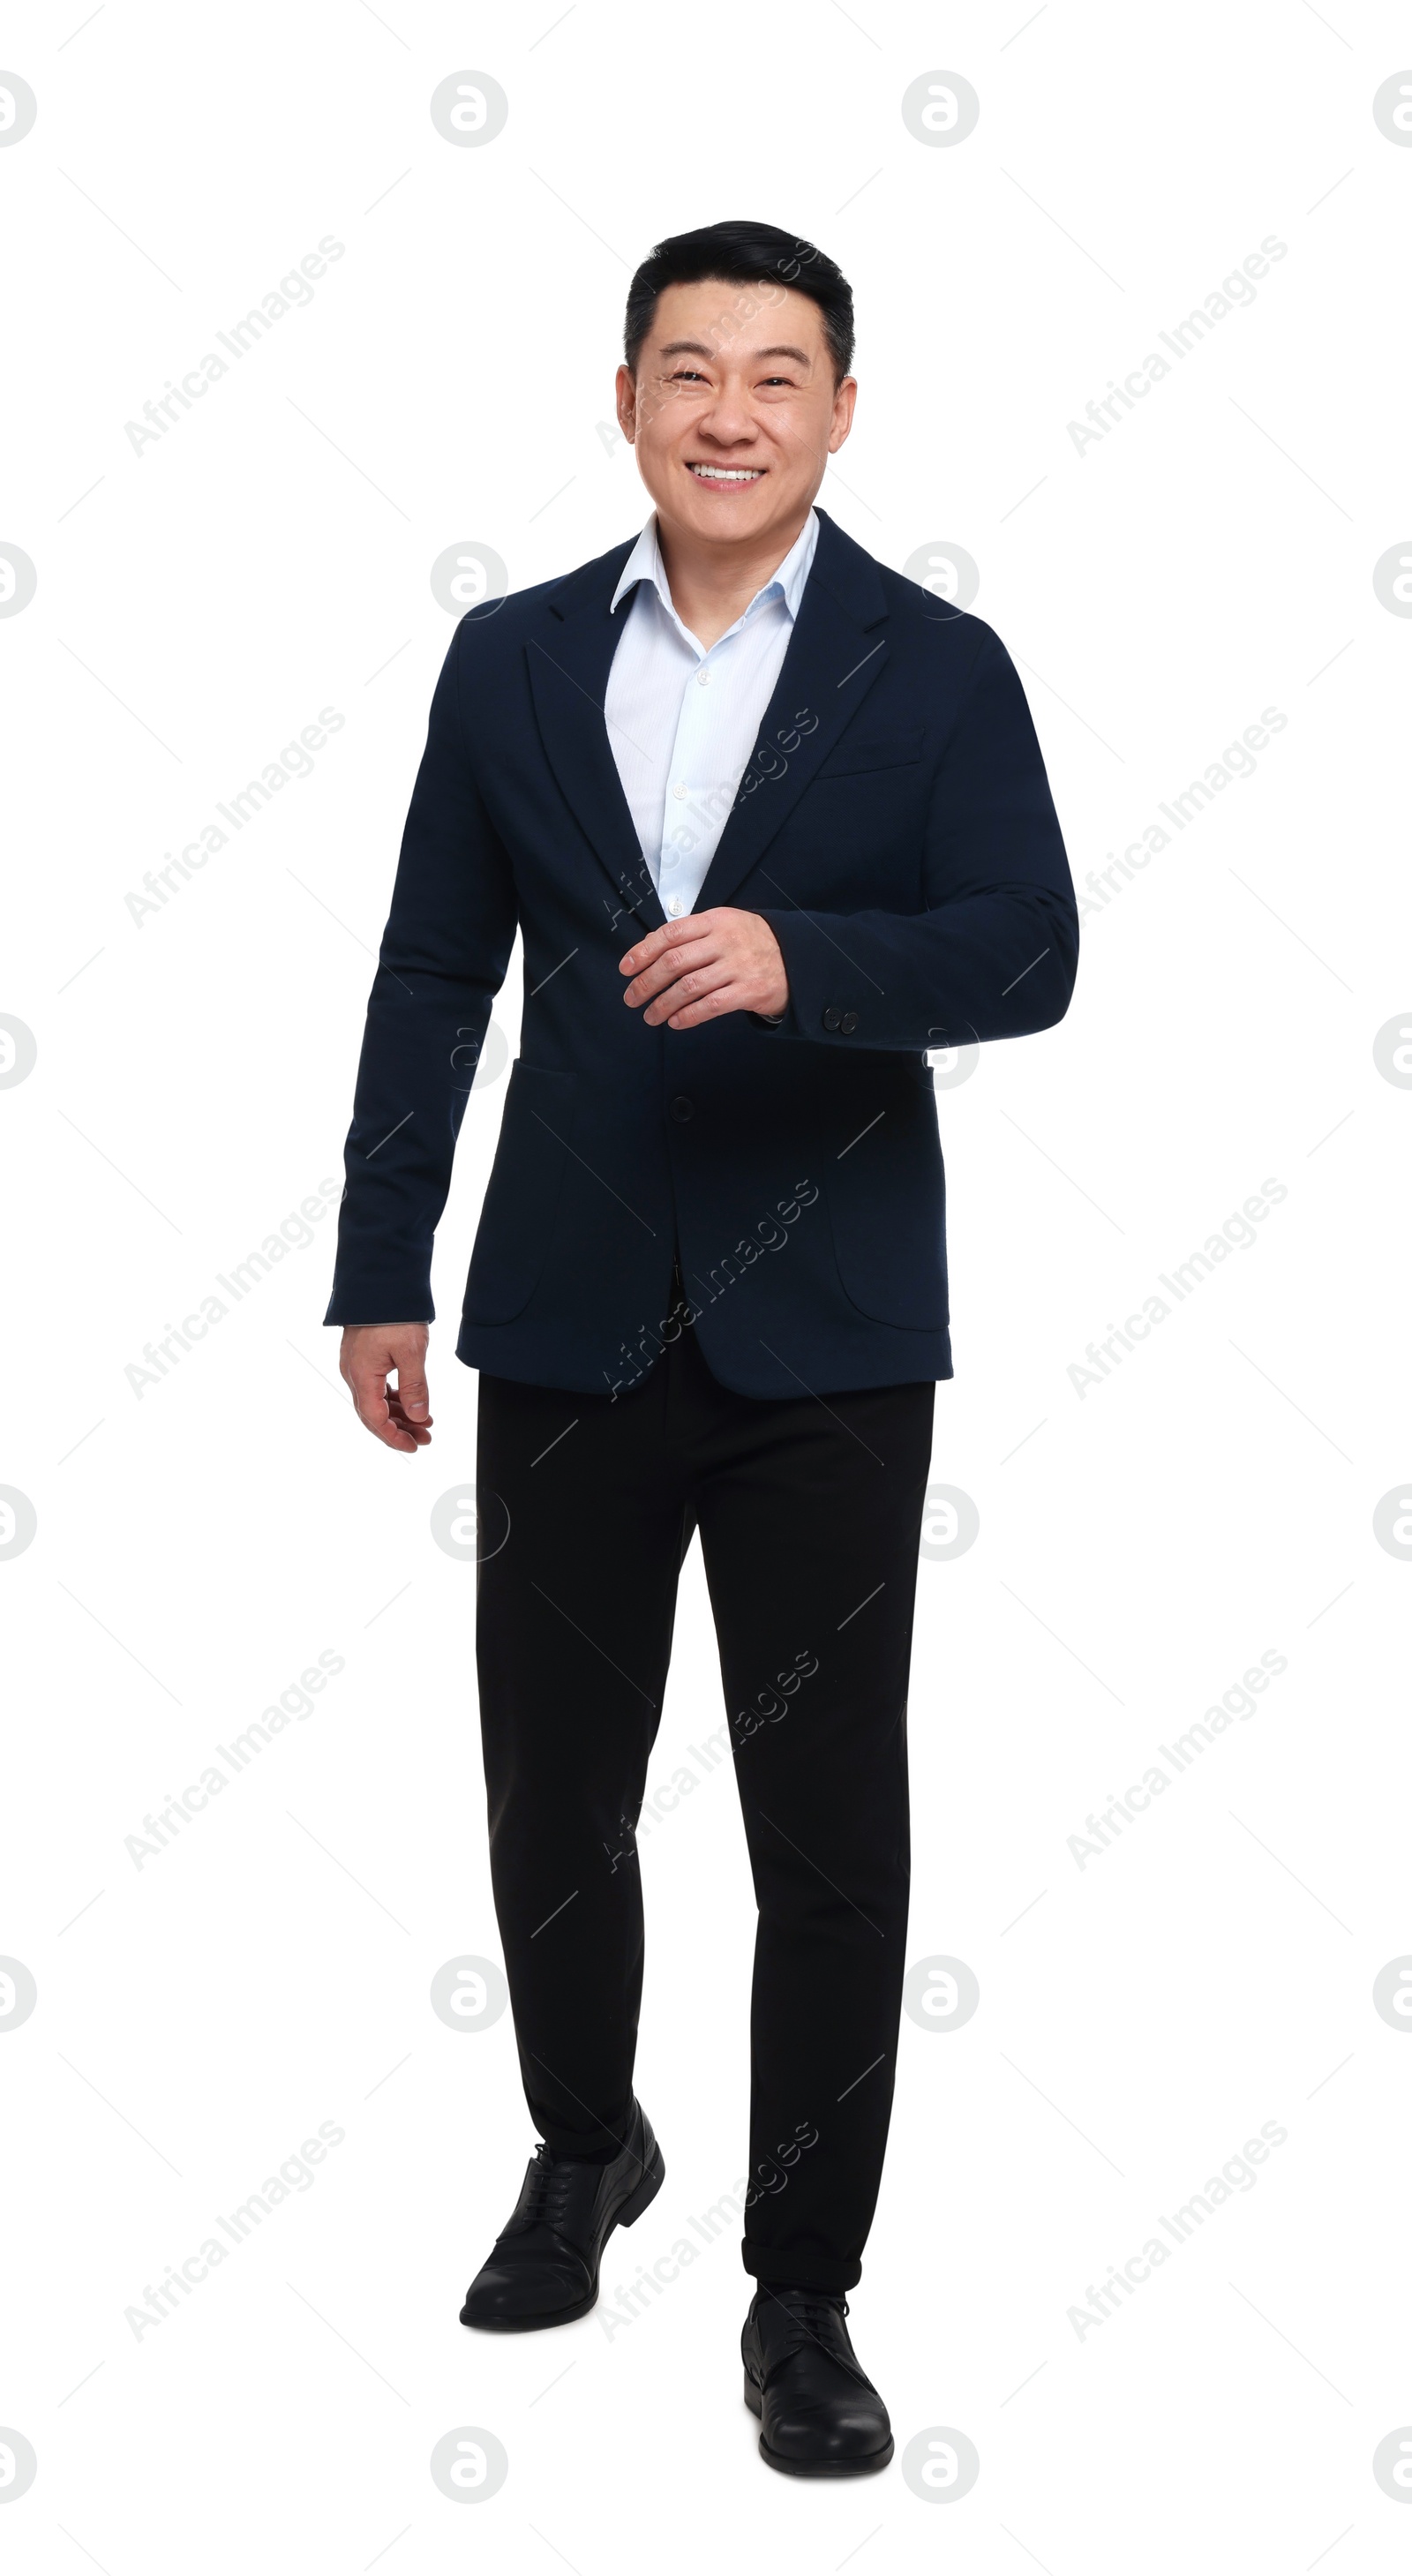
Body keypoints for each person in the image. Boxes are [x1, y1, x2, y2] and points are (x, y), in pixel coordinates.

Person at [326, 218, 1078, 2476]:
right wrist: (380, 1263)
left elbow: (1023, 946)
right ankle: (583, 2140)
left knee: (823, 1822)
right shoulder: (513, 657)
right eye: (687, 370)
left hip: (827, 1325)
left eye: (776, 375)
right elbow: (431, 970)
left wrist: (799, 958)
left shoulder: (934, 669)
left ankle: (801, 2289)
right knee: (552, 1781)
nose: (728, 412)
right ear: (627, 398)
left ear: (842, 411)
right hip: (562, 1303)